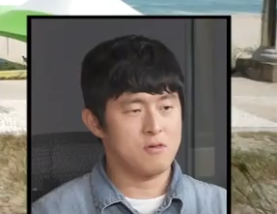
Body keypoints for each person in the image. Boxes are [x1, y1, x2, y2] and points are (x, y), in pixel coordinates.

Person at [32, 34, 226, 214]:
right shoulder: (51, 210)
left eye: (166, 107)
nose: (154, 127)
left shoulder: (220, 204)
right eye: (135, 110)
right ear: (95, 123)